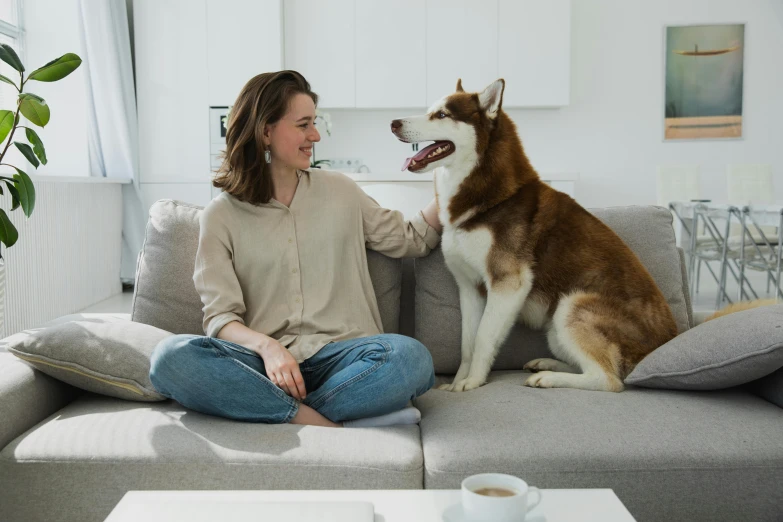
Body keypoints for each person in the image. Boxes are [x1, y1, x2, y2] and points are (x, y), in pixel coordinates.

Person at [148, 70, 443, 428]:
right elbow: (221, 319)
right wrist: (270, 349)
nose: (315, 136)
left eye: (314, 124)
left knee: (409, 358)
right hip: (264, 366)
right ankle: (327, 419)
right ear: (266, 131)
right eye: (304, 125)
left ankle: (281, 413)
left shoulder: (340, 191)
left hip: (345, 358)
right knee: (169, 358)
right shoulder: (221, 215)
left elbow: (412, 239)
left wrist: (458, 187)